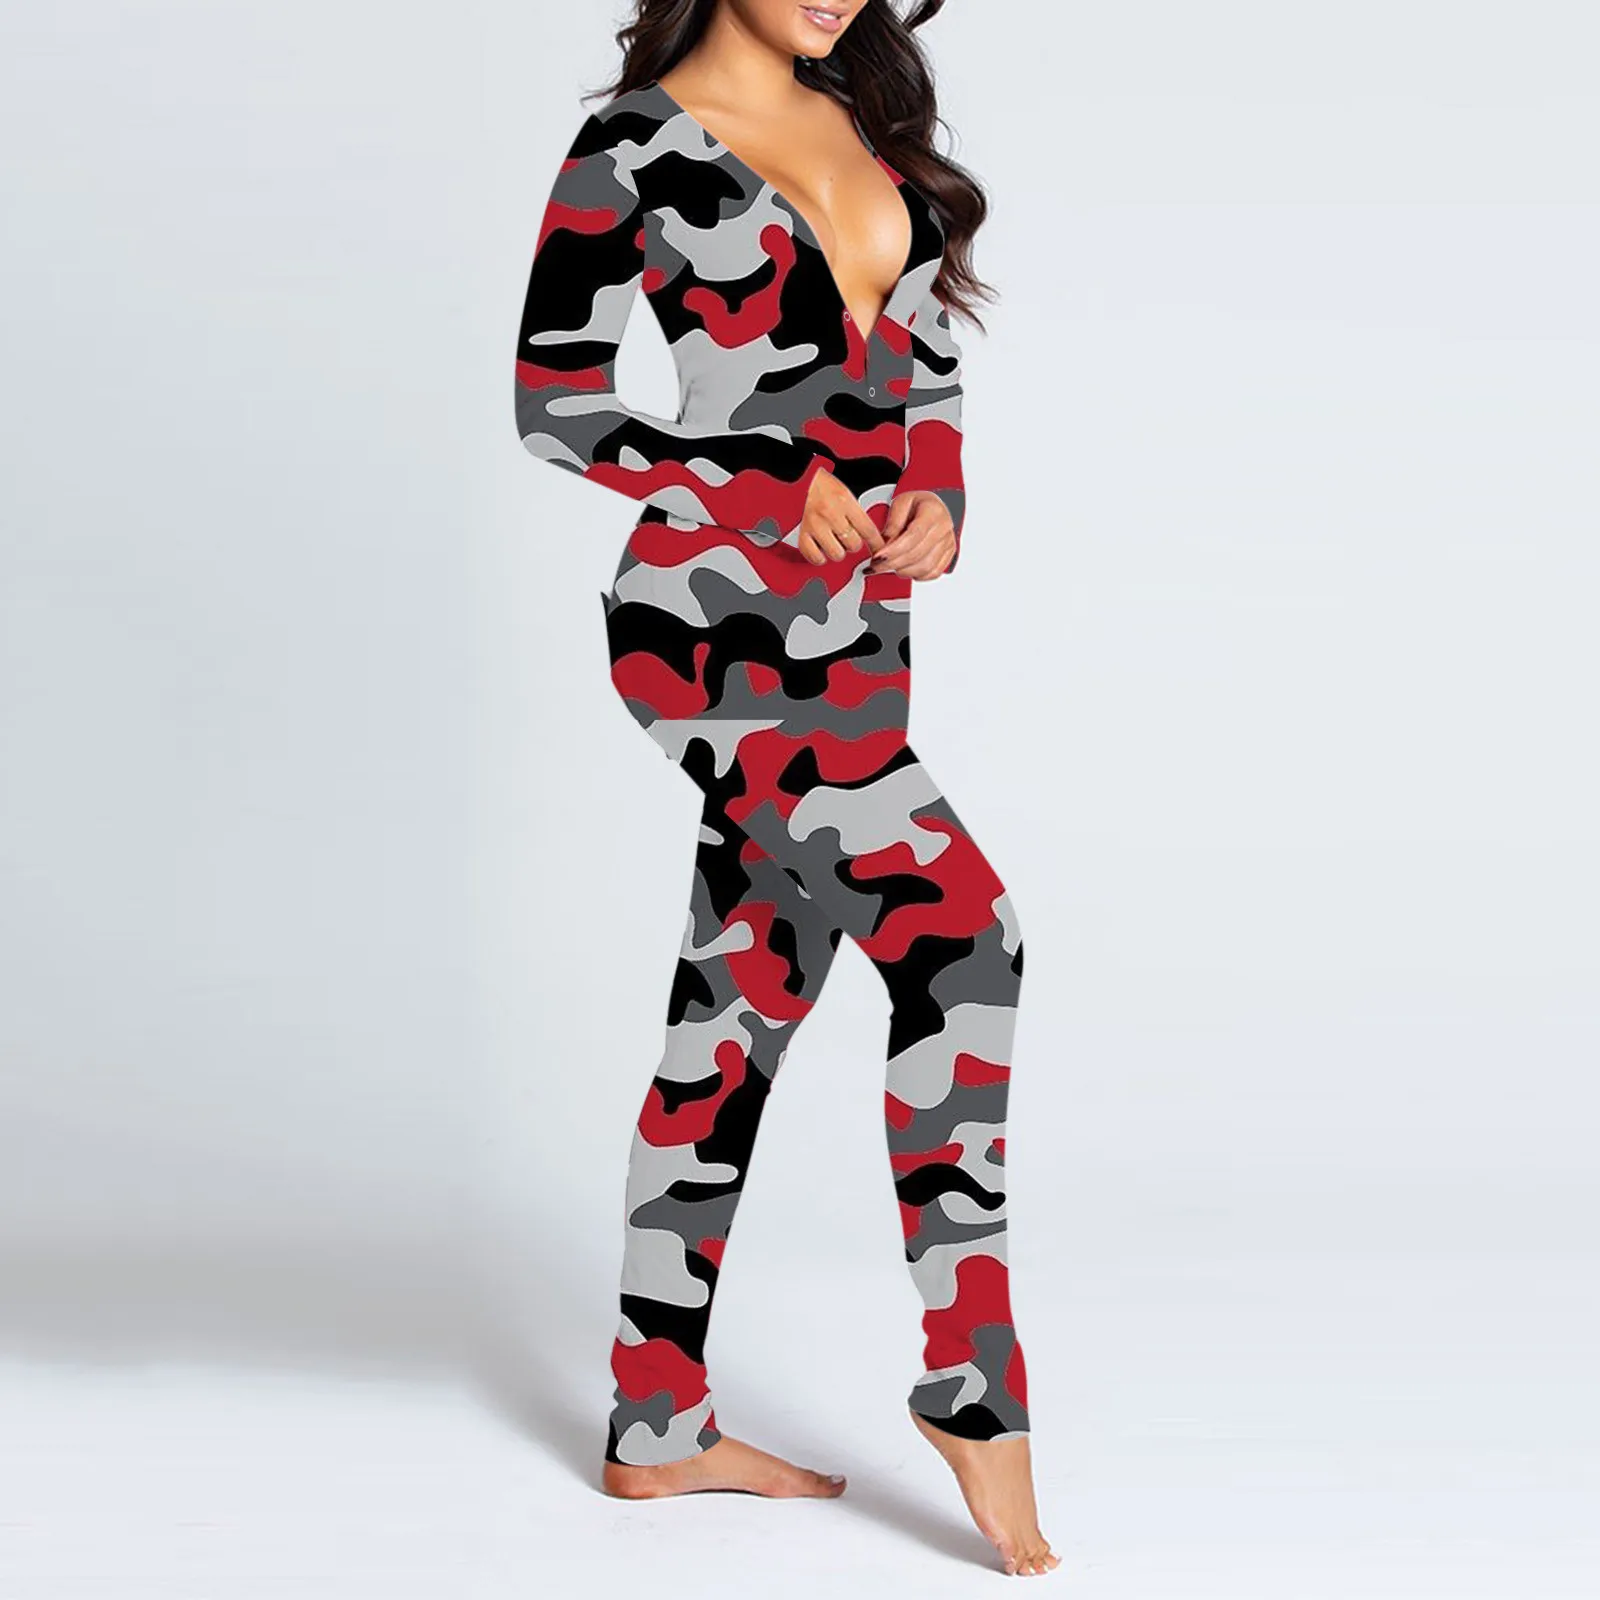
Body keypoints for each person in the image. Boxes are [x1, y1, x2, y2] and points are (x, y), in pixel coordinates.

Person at [513, 0, 1057, 1577]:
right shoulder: (632, 147)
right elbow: (555, 402)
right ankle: (974, 1382)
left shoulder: (861, 122)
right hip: (711, 630)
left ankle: (655, 1422)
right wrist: (760, 480)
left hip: (858, 628)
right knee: (967, 941)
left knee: (737, 1006)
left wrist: (938, 498)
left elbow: (923, 366)